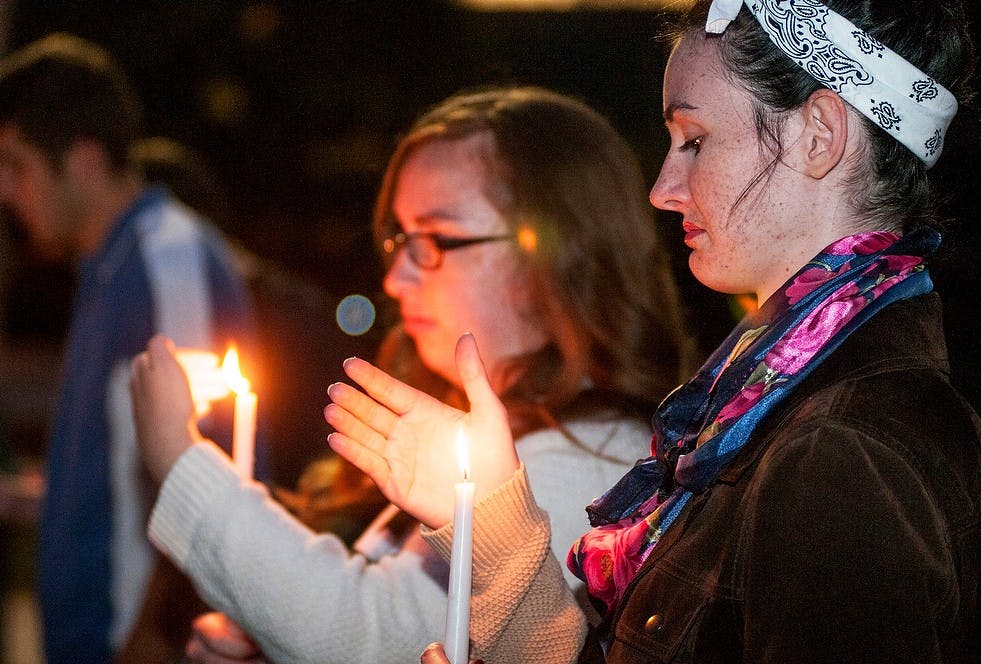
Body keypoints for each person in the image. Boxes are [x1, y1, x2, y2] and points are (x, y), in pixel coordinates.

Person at [324, 1, 981, 662]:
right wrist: (494, 516)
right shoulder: (762, 408)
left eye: (695, 141)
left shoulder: (842, 450)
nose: (662, 187)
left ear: (820, 135)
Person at [129, 86, 696, 663]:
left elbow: (377, 635)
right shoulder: (490, 430)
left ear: (549, 252)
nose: (396, 278)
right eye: (397, 239)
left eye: (431, 239)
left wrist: (182, 461)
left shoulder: (598, 461)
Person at [0, 33, 258, 664]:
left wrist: (149, 643)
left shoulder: (163, 259)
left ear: (85, 162)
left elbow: (215, 473)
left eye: (15, 164)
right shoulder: (107, 268)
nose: (5, 190)